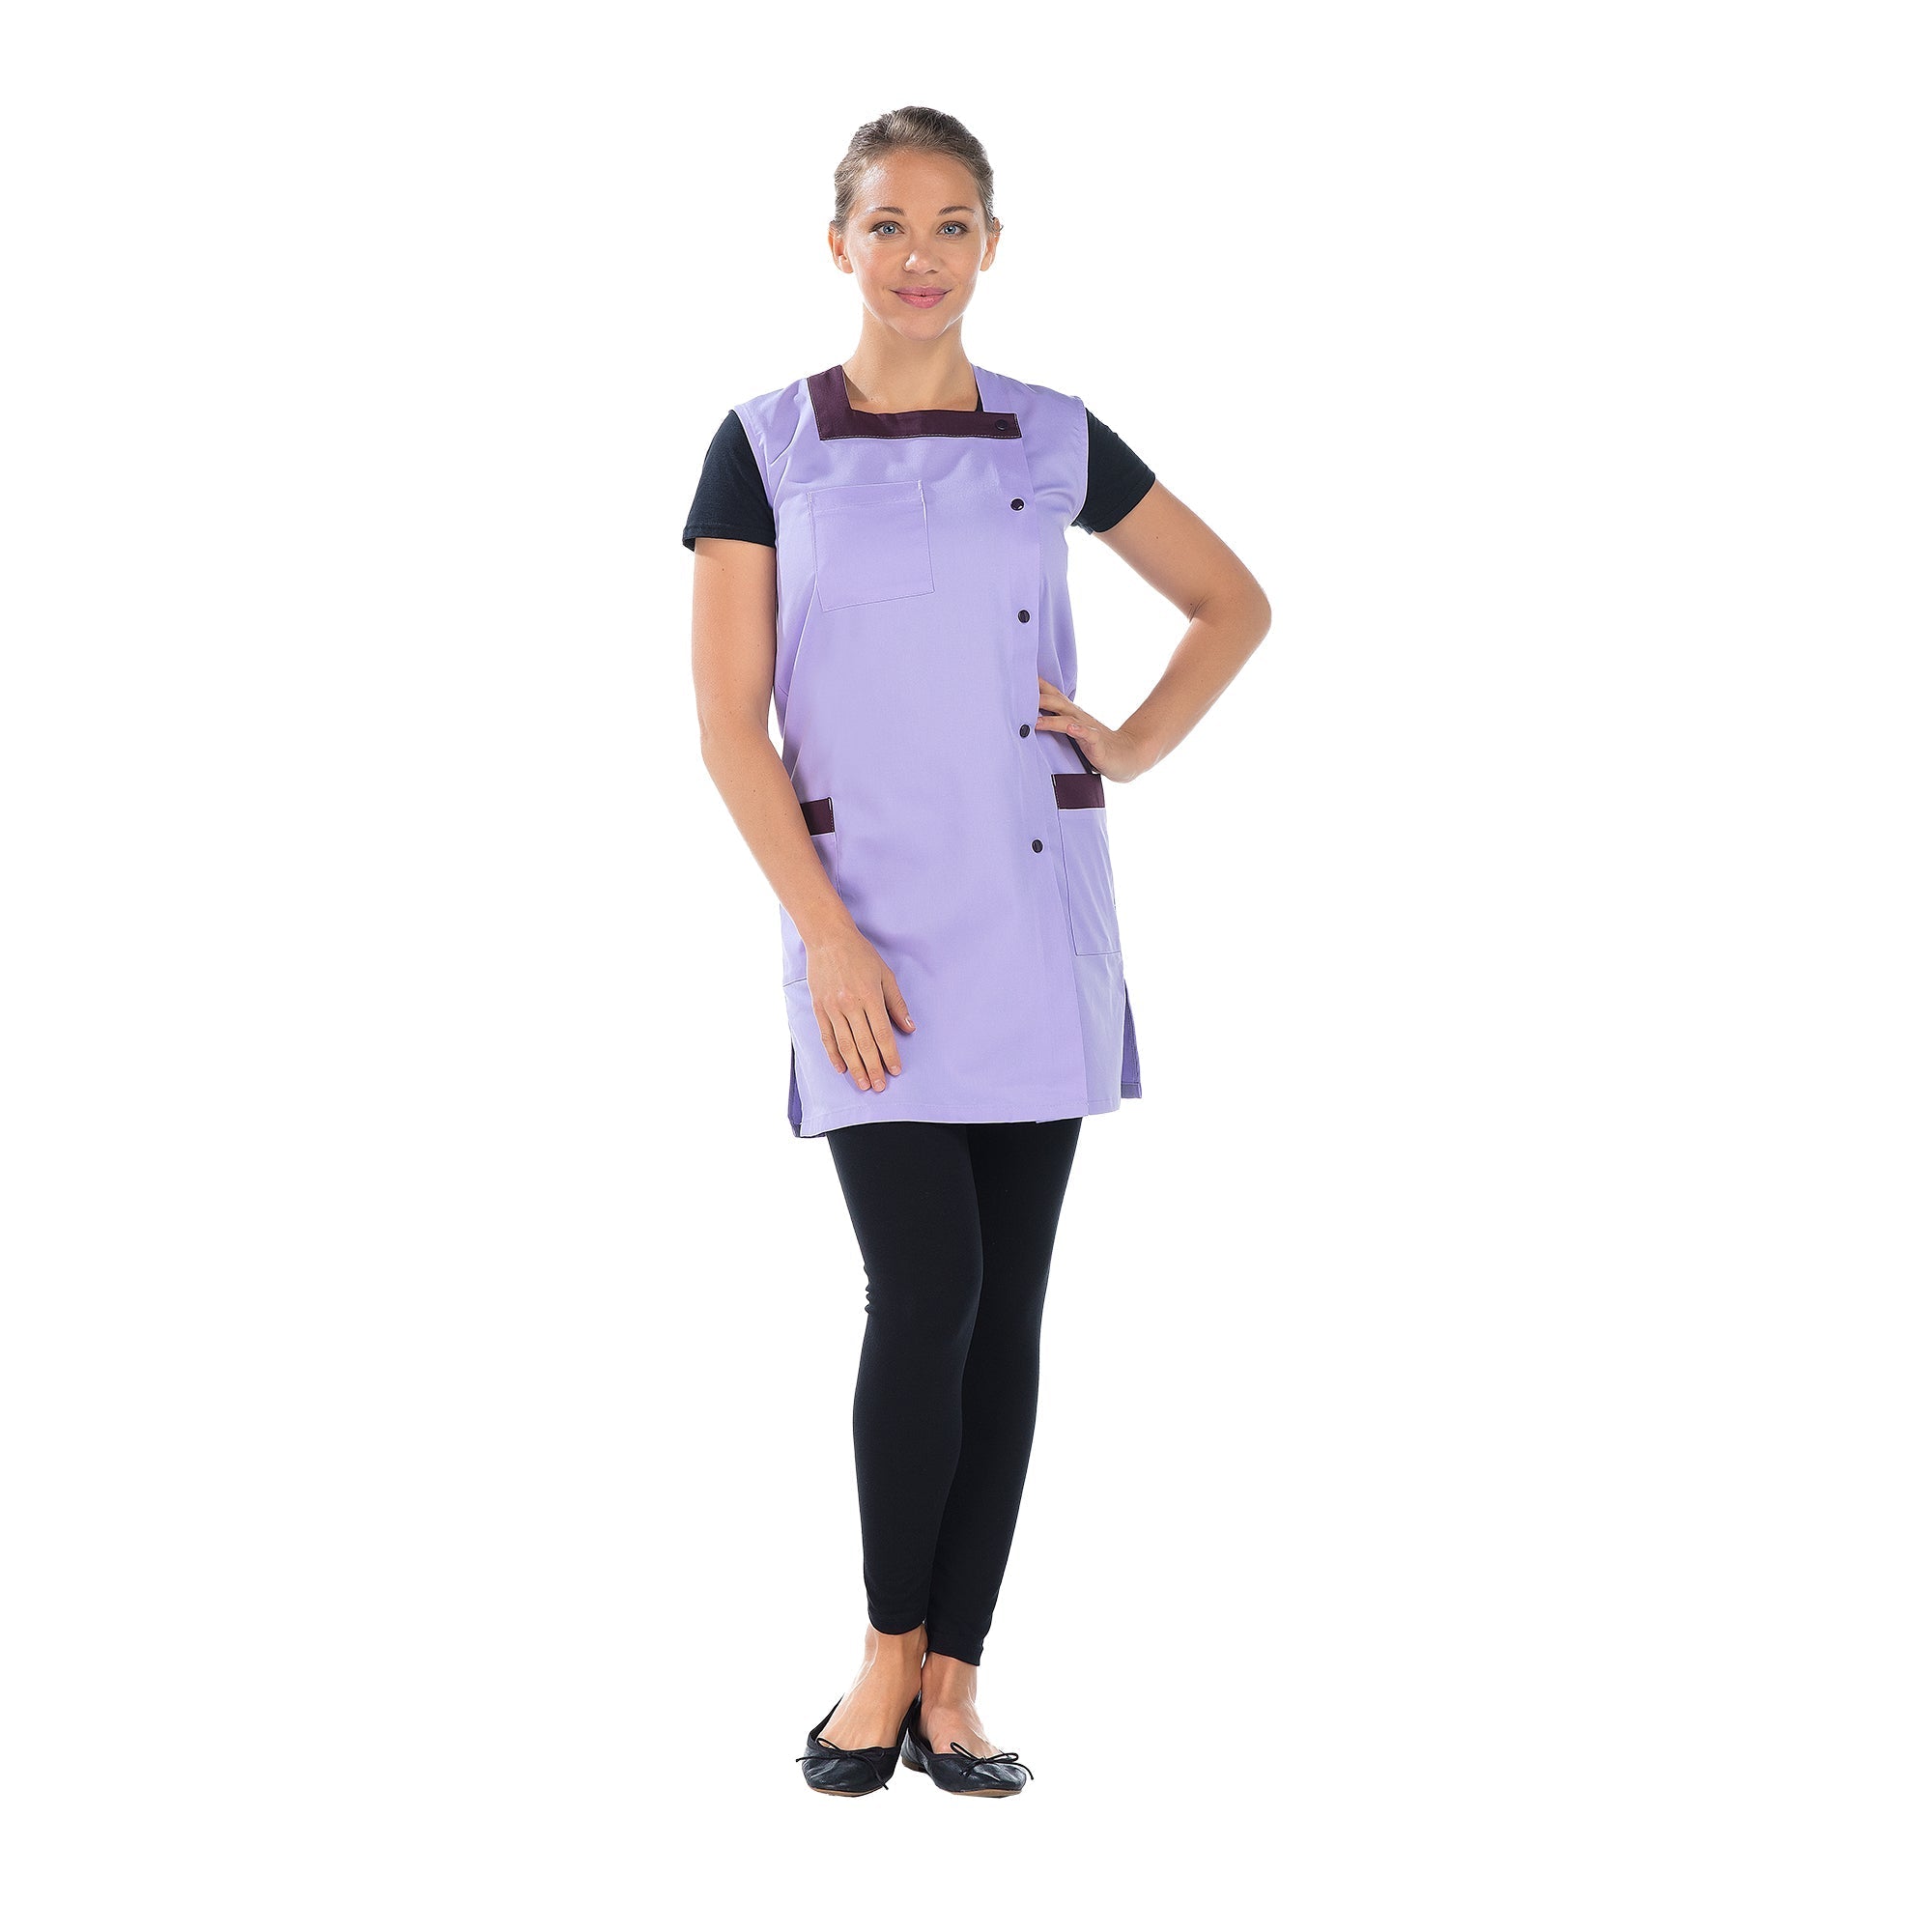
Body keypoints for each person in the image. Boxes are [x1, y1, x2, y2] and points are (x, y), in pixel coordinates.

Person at [685, 105, 1270, 1797]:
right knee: (923, 1287)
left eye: (953, 225)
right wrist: (827, 939)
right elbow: (728, 727)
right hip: (864, 925)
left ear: (993, 245)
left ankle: (957, 1680)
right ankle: (883, 1654)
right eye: (888, 224)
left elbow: (1232, 602)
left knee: (1004, 1308)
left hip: (1029, 912)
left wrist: (1130, 745)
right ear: (838, 244)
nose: (920, 256)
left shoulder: (1053, 437)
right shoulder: (764, 446)